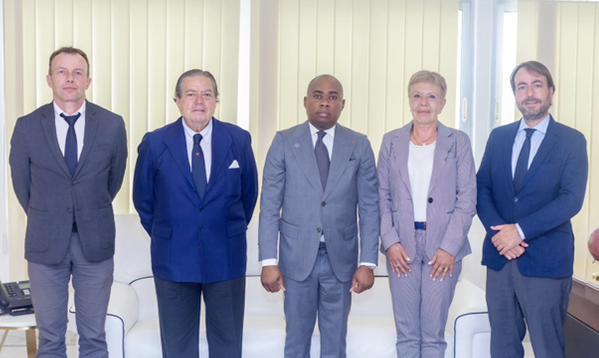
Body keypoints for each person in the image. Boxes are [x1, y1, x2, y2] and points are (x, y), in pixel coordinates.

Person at [9, 46, 128, 357]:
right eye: (62, 71)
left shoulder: (113, 125)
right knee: (50, 340)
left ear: (88, 81)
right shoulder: (27, 126)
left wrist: (86, 209)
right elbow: (23, 186)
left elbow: (113, 181)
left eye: (78, 72)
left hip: (95, 244)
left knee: (93, 338)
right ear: (50, 79)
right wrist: (50, 214)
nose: (70, 78)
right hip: (45, 245)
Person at [132, 69, 258, 358]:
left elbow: (248, 196)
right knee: (177, 348)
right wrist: (173, 233)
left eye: (207, 94)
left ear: (216, 100)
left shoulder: (238, 139)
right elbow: (144, 201)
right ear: (177, 100)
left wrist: (223, 229)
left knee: (227, 346)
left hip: (226, 258)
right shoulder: (155, 143)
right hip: (174, 259)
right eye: (191, 94)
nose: (199, 101)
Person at [258, 74, 380, 357]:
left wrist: (368, 262)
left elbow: (370, 206)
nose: (325, 102)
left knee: (335, 344)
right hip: (296, 259)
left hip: (342, 260)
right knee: (296, 342)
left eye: (333, 96)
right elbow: (269, 205)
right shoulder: (284, 142)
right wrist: (268, 261)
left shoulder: (358, 144)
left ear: (342, 104)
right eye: (318, 95)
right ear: (305, 101)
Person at [477, 61, 588, 358]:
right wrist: (501, 235)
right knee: (502, 347)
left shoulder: (571, 141)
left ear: (551, 91)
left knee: (547, 348)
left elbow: (571, 199)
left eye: (537, 85)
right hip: (500, 259)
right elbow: (482, 189)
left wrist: (520, 232)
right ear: (515, 94)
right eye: (521, 86)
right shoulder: (498, 137)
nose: (529, 93)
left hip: (546, 262)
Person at [378, 70, 476, 357]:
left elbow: (467, 198)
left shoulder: (459, 142)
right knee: (407, 335)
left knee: (433, 336)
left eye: (431, 96)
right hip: (401, 248)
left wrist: (449, 248)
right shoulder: (391, 141)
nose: (424, 102)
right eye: (417, 95)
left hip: (442, 249)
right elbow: (380, 195)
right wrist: (390, 241)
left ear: (443, 103)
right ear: (409, 101)